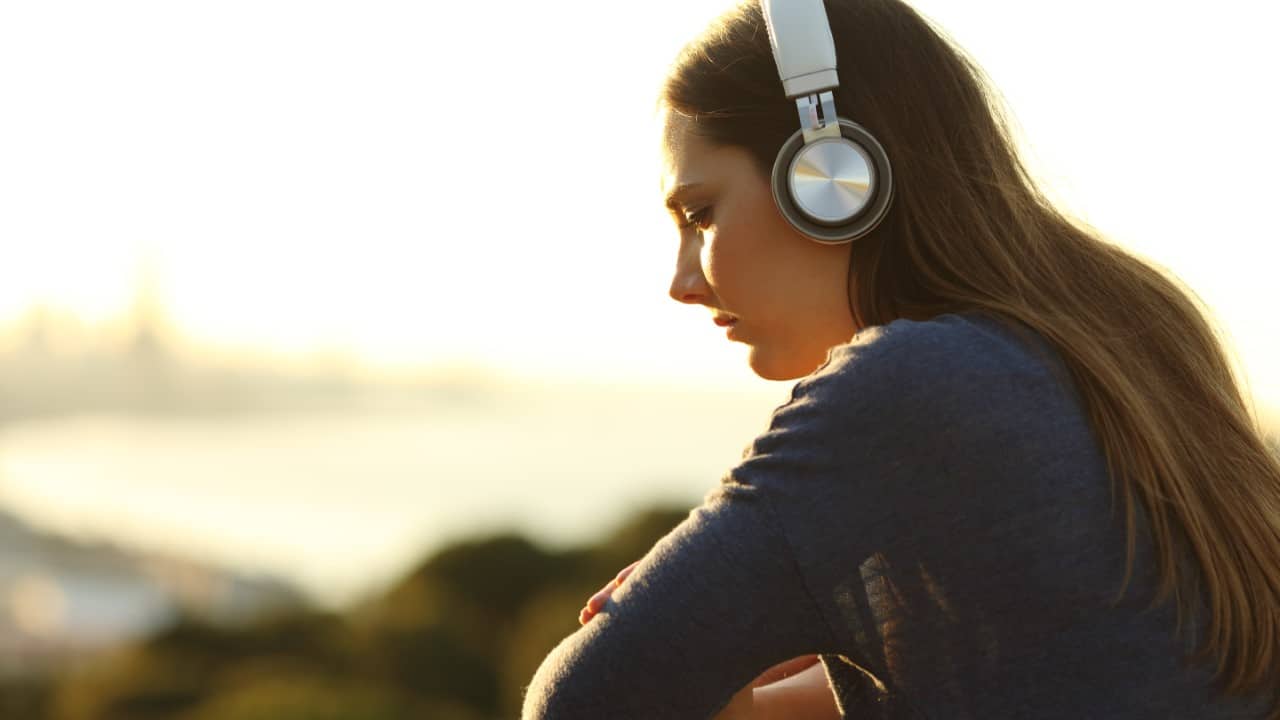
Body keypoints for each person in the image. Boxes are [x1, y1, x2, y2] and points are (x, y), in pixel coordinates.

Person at [521, 0, 1280, 717]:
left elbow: (578, 702)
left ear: (831, 180)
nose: (682, 282)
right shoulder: (1138, 324)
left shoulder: (907, 388)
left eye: (699, 214)